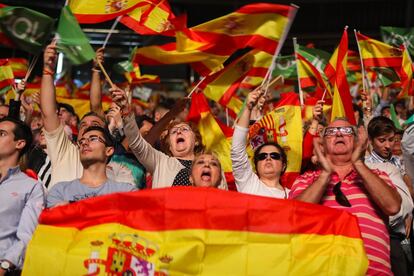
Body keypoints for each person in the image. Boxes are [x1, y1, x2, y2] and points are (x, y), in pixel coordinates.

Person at [290, 118, 402, 275]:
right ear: (321, 145)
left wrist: (358, 164)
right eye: (331, 132)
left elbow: (393, 206)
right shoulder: (306, 180)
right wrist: (325, 175)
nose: (339, 135)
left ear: (357, 142)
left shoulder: (376, 175)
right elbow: (295, 216)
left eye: (346, 131)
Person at [40, 42, 134, 188]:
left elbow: (96, 106)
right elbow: (48, 113)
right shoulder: (64, 150)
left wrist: (97, 70)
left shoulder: (118, 173)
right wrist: (47, 70)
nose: (88, 128)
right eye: (83, 125)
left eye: (95, 126)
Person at [112, 87, 227, 189]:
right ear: (169, 145)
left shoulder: (212, 165)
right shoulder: (160, 162)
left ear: (196, 141)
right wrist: (126, 110)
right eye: (173, 132)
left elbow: (222, 200)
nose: (179, 131)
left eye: (185, 129)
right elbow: (137, 144)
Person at [47, 126, 136, 208]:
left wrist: (70, 205)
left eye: (93, 139)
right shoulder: (59, 190)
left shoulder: (127, 192)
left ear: (108, 151)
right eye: (81, 141)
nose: (84, 143)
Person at [0, 117, 44, 274]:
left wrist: (5, 265)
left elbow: (27, 235)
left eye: (1, 133)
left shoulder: (31, 187)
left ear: (19, 143)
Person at [231, 88, 289, 198]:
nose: (268, 158)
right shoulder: (249, 184)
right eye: (262, 156)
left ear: (283, 165)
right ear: (256, 166)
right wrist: (248, 108)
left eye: (274, 156)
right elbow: (237, 149)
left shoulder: (293, 194)